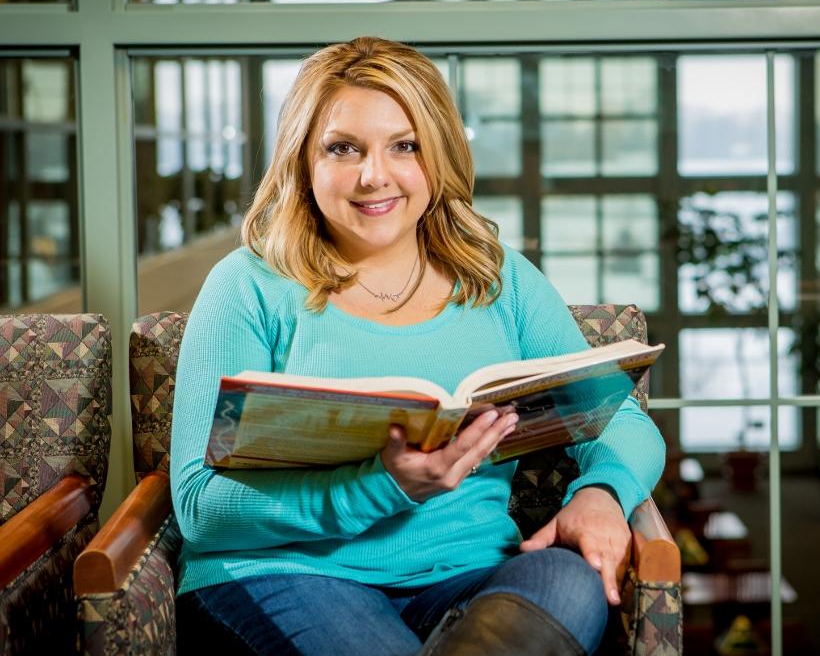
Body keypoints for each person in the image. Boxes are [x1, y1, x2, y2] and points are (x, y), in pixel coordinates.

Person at [171, 36, 666, 656]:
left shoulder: (498, 278)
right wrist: (387, 485)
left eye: (404, 146)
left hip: (471, 574)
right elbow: (200, 507)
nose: (373, 175)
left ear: (437, 155)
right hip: (291, 572)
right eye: (342, 148)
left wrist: (602, 493)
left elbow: (621, 418)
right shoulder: (247, 285)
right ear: (303, 161)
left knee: (568, 580)